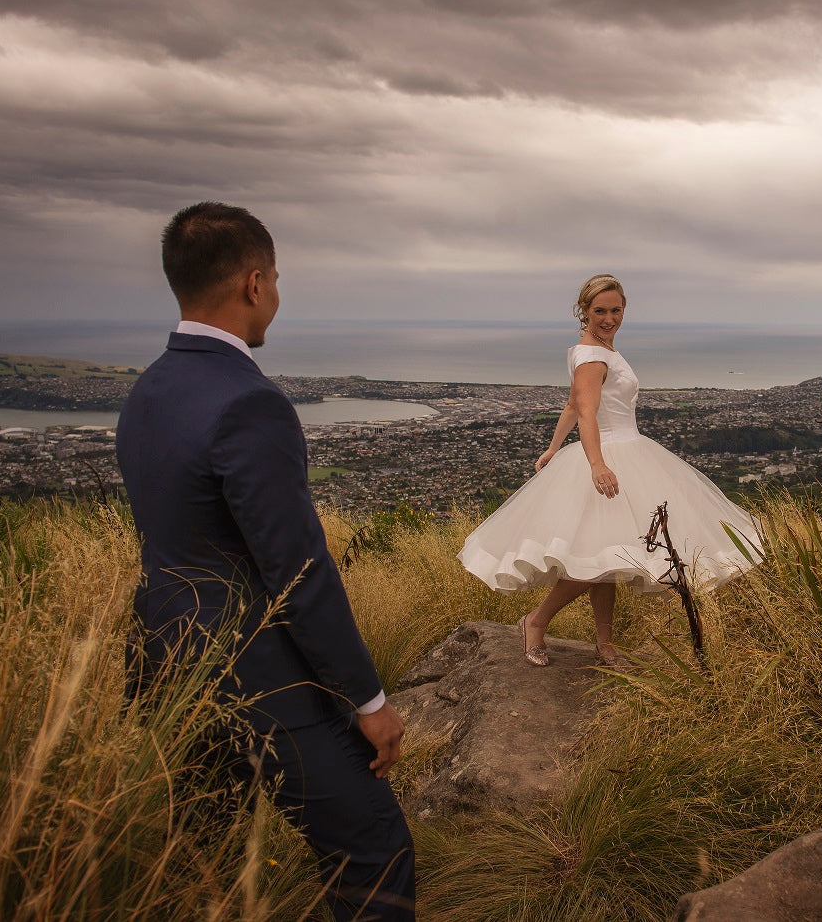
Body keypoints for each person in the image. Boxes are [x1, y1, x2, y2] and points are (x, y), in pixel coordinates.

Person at [117, 202, 414, 920]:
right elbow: (299, 572)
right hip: (258, 680)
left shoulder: (148, 390)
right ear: (254, 283)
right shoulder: (250, 403)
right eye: (275, 279)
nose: (275, 294)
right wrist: (367, 702)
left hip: (164, 664)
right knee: (376, 850)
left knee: (203, 859)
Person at [458, 274, 761, 665]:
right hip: (610, 457)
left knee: (605, 557)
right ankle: (535, 621)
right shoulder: (593, 355)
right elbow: (585, 410)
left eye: (615, 310)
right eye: (599, 310)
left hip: (624, 452)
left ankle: (604, 643)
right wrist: (597, 463)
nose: (608, 317)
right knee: (590, 561)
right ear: (583, 311)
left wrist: (553, 448)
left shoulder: (592, 349)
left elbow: (570, 403)